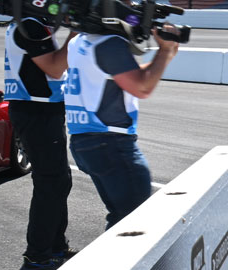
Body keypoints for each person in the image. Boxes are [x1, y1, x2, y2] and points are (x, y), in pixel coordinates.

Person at [61, 21, 181, 231]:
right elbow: (142, 88)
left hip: (85, 141)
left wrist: (166, 55)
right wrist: (164, 51)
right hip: (110, 143)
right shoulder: (110, 43)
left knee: (121, 219)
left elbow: (121, 75)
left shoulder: (78, 40)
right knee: (132, 225)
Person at [0, 2, 79, 270]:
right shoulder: (29, 26)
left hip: (41, 109)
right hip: (35, 110)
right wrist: (75, 33)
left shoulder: (32, 25)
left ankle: (55, 246)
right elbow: (56, 68)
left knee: (59, 180)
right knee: (50, 183)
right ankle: (37, 256)